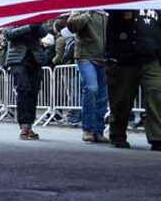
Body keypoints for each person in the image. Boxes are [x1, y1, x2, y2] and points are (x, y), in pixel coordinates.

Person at [104, 9, 161, 150]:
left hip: (152, 55)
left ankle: (157, 137)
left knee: (157, 94)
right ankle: (117, 134)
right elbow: (107, 7)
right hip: (125, 56)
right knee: (122, 98)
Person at [67, 10, 110, 143]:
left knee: (103, 96)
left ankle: (98, 131)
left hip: (103, 58)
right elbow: (72, 25)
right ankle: (87, 129)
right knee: (91, 88)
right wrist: (89, 12)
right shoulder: (83, 7)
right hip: (85, 56)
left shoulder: (108, 10)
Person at [3, 23, 51, 140]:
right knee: (23, 89)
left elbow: (44, 32)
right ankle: (24, 126)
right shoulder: (14, 16)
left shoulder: (35, 16)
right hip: (18, 60)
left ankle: (29, 125)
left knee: (33, 92)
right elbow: (8, 34)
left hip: (35, 58)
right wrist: (29, 27)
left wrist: (37, 24)